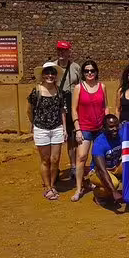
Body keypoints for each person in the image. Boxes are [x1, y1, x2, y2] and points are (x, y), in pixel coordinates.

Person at [27, 62, 67, 200]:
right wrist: (34, 124)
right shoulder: (36, 91)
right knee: (45, 160)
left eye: (53, 73)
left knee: (55, 160)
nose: (50, 75)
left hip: (56, 128)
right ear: (43, 75)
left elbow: (62, 110)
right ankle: (48, 187)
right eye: (47, 73)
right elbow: (29, 110)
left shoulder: (59, 91)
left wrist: (64, 129)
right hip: (41, 129)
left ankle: (52, 184)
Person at [71, 60, 109, 202]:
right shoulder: (79, 88)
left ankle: (95, 181)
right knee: (81, 157)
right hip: (85, 127)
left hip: (100, 128)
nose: (89, 73)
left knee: (98, 157)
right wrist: (78, 129)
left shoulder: (102, 86)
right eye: (86, 71)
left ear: (96, 72)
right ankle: (79, 188)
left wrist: (107, 124)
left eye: (92, 70)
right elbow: (74, 110)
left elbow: (105, 106)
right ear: (83, 73)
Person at [55, 40, 82, 179]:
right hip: (57, 105)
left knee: (72, 138)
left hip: (72, 104)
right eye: (59, 50)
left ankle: (73, 166)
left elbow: (80, 87)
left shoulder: (75, 67)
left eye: (64, 50)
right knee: (56, 138)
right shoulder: (52, 67)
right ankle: (55, 168)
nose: (61, 53)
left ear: (69, 52)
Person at [88, 114, 123, 206]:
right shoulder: (99, 143)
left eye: (116, 125)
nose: (115, 129)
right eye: (111, 127)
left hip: (115, 167)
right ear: (104, 128)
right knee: (114, 184)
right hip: (98, 171)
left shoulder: (121, 135)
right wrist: (114, 191)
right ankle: (98, 194)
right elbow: (102, 170)